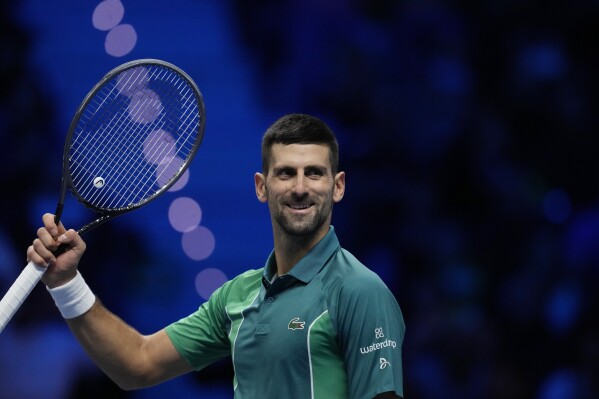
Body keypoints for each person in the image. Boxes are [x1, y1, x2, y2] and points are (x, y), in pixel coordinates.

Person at [28, 113, 406, 398]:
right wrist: (65, 282)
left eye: (315, 174)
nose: (301, 187)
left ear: (338, 186)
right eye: (286, 173)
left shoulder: (359, 291)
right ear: (262, 187)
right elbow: (137, 364)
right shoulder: (237, 296)